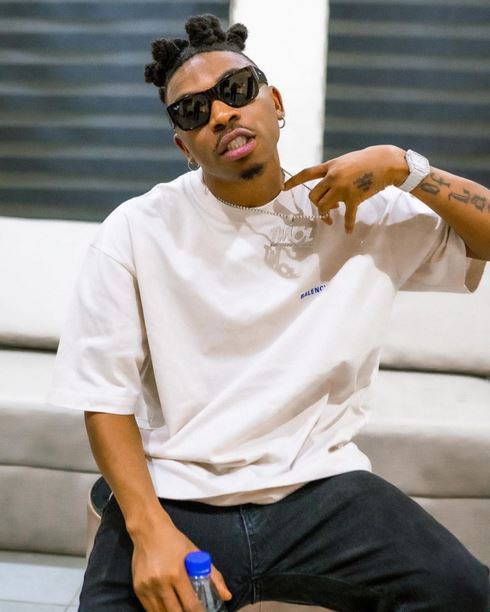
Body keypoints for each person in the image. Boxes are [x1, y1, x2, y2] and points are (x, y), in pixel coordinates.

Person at [47, 13, 490, 612]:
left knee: (467, 594)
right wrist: (149, 532)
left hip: (321, 489)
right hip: (177, 491)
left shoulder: (354, 208)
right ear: (183, 145)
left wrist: (404, 167)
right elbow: (104, 398)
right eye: (193, 111)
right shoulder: (136, 230)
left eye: (235, 90)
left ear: (273, 103)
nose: (220, 114)